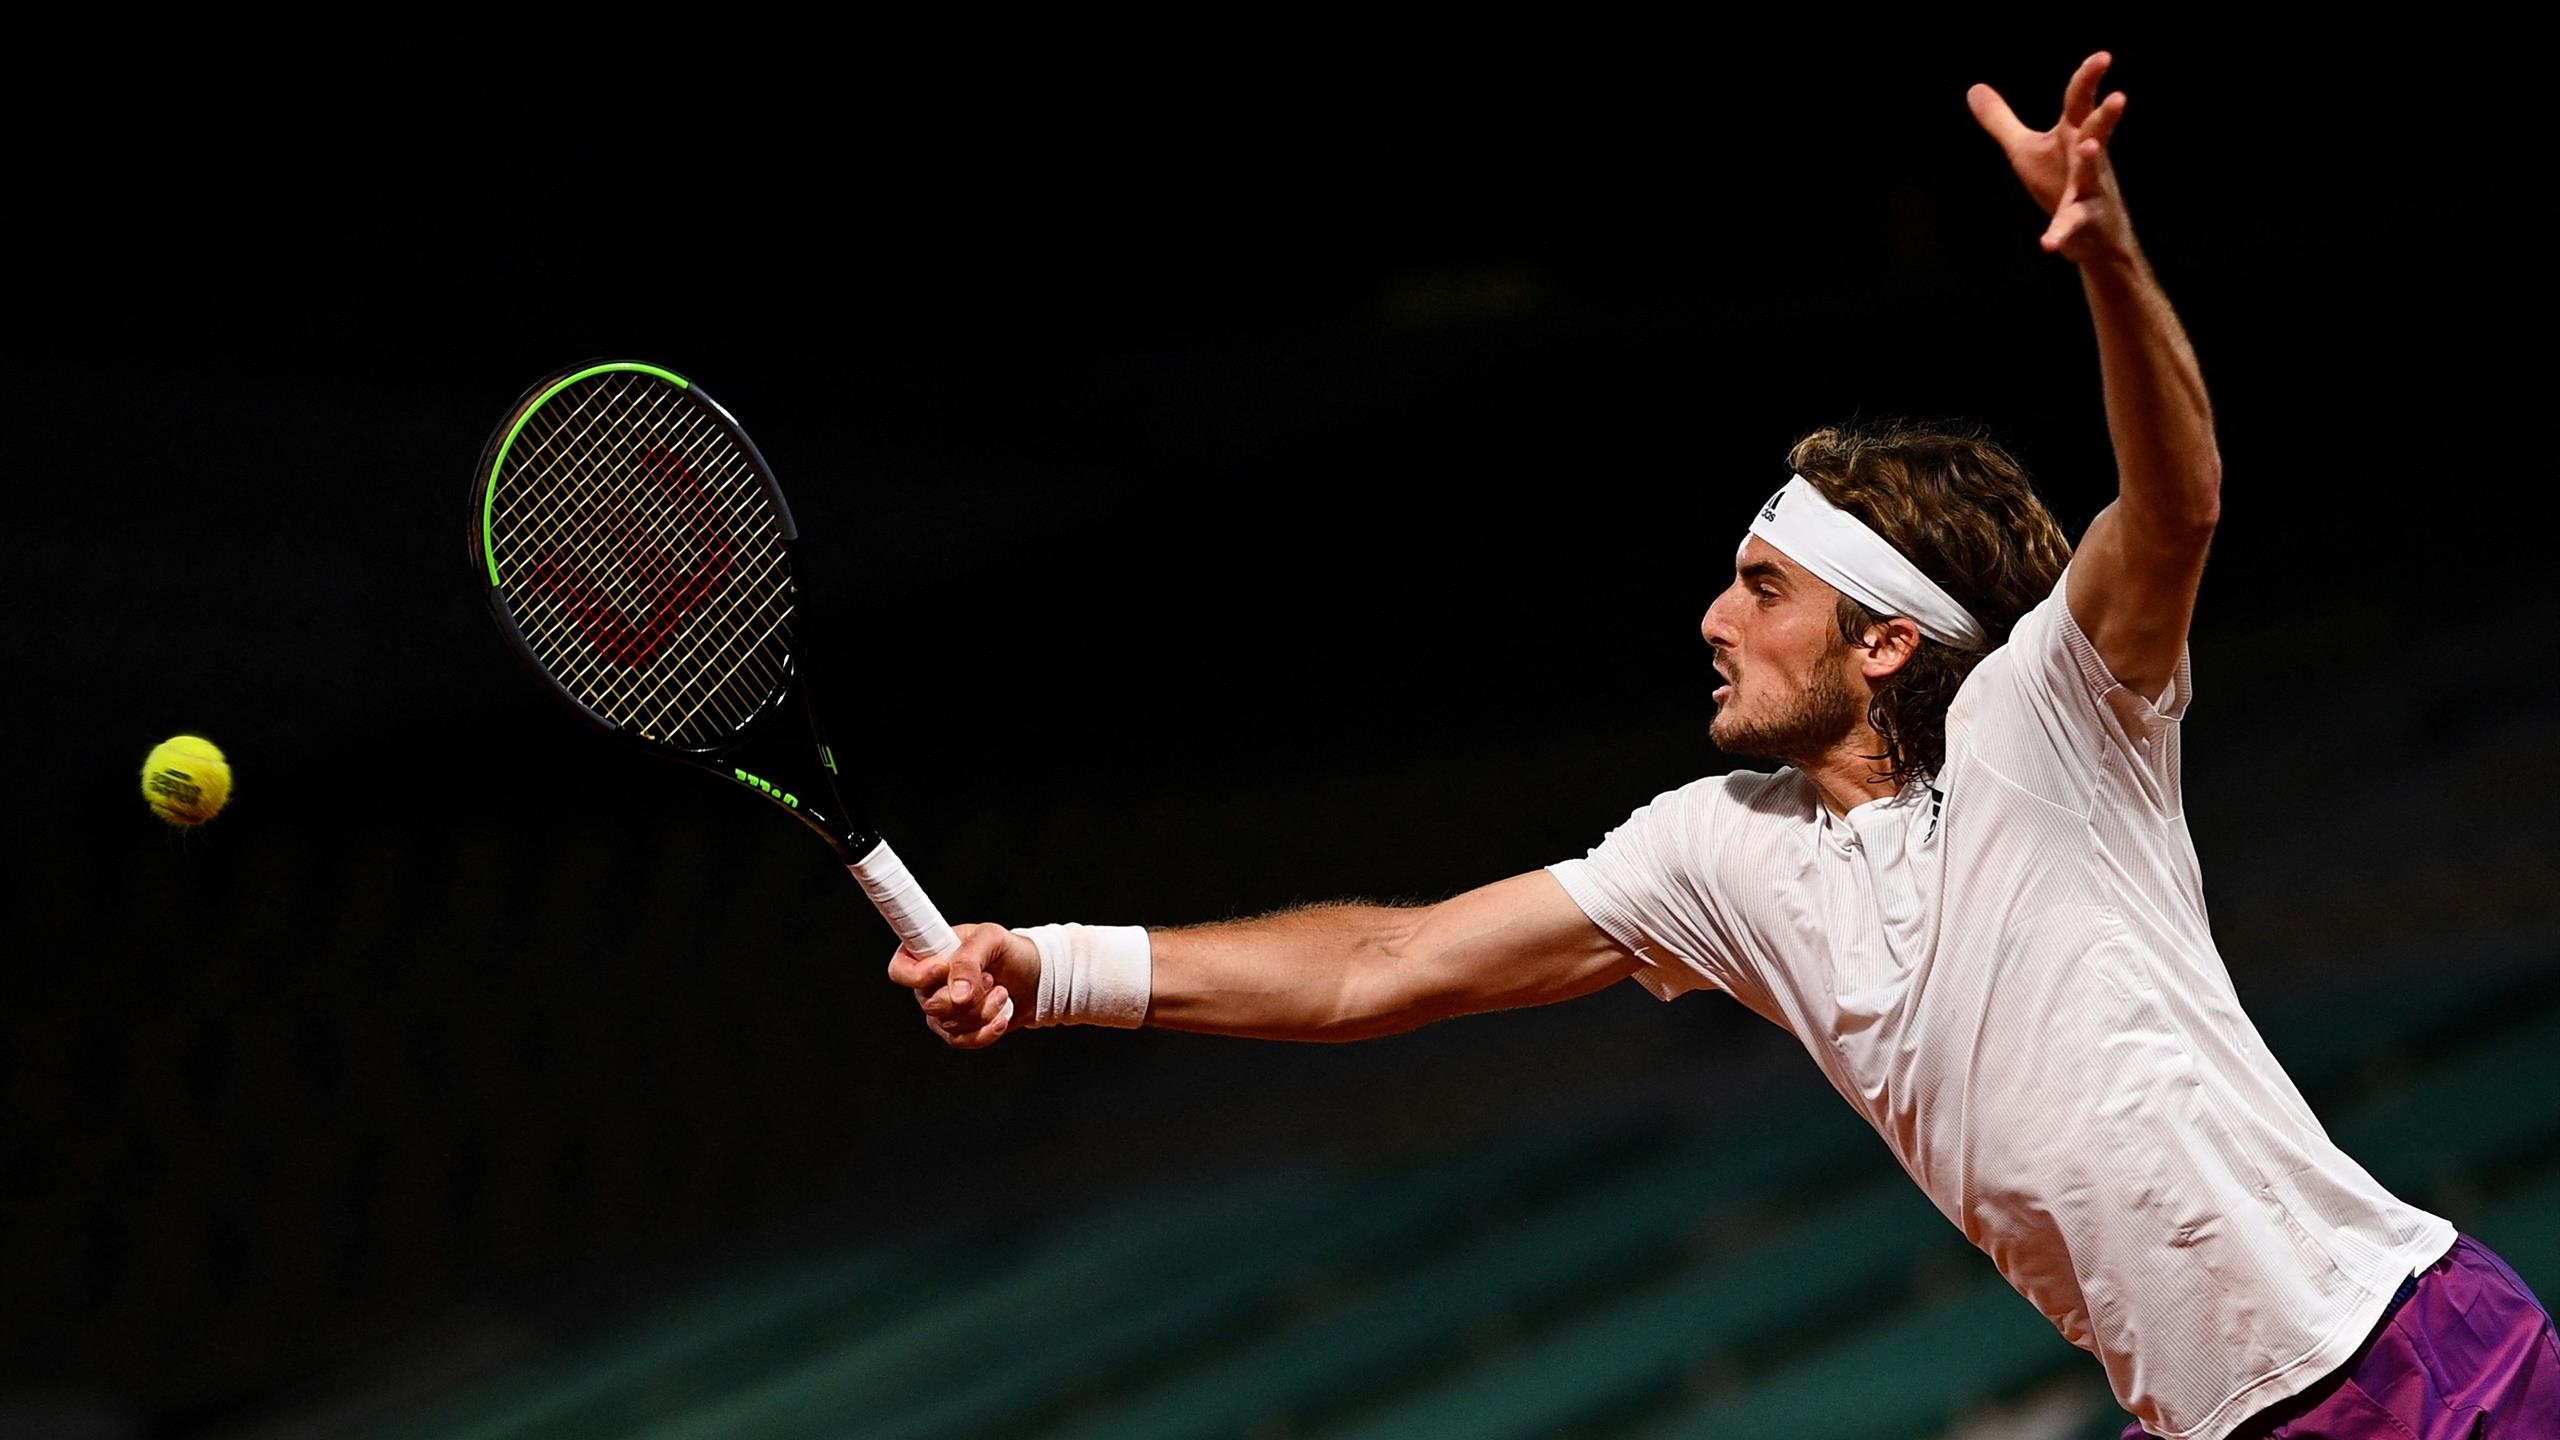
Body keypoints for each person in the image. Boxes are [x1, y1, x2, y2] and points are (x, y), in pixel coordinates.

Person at [885, 50, 2560, 1440]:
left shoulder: (2050, 727)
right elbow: (1380, 965)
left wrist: (2109, 259)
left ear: (1887, 635)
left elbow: (2178, 502)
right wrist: (1049, 965)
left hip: (2408, 1366)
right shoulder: (1719, 851)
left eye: (1763, 586)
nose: (1712, 616)